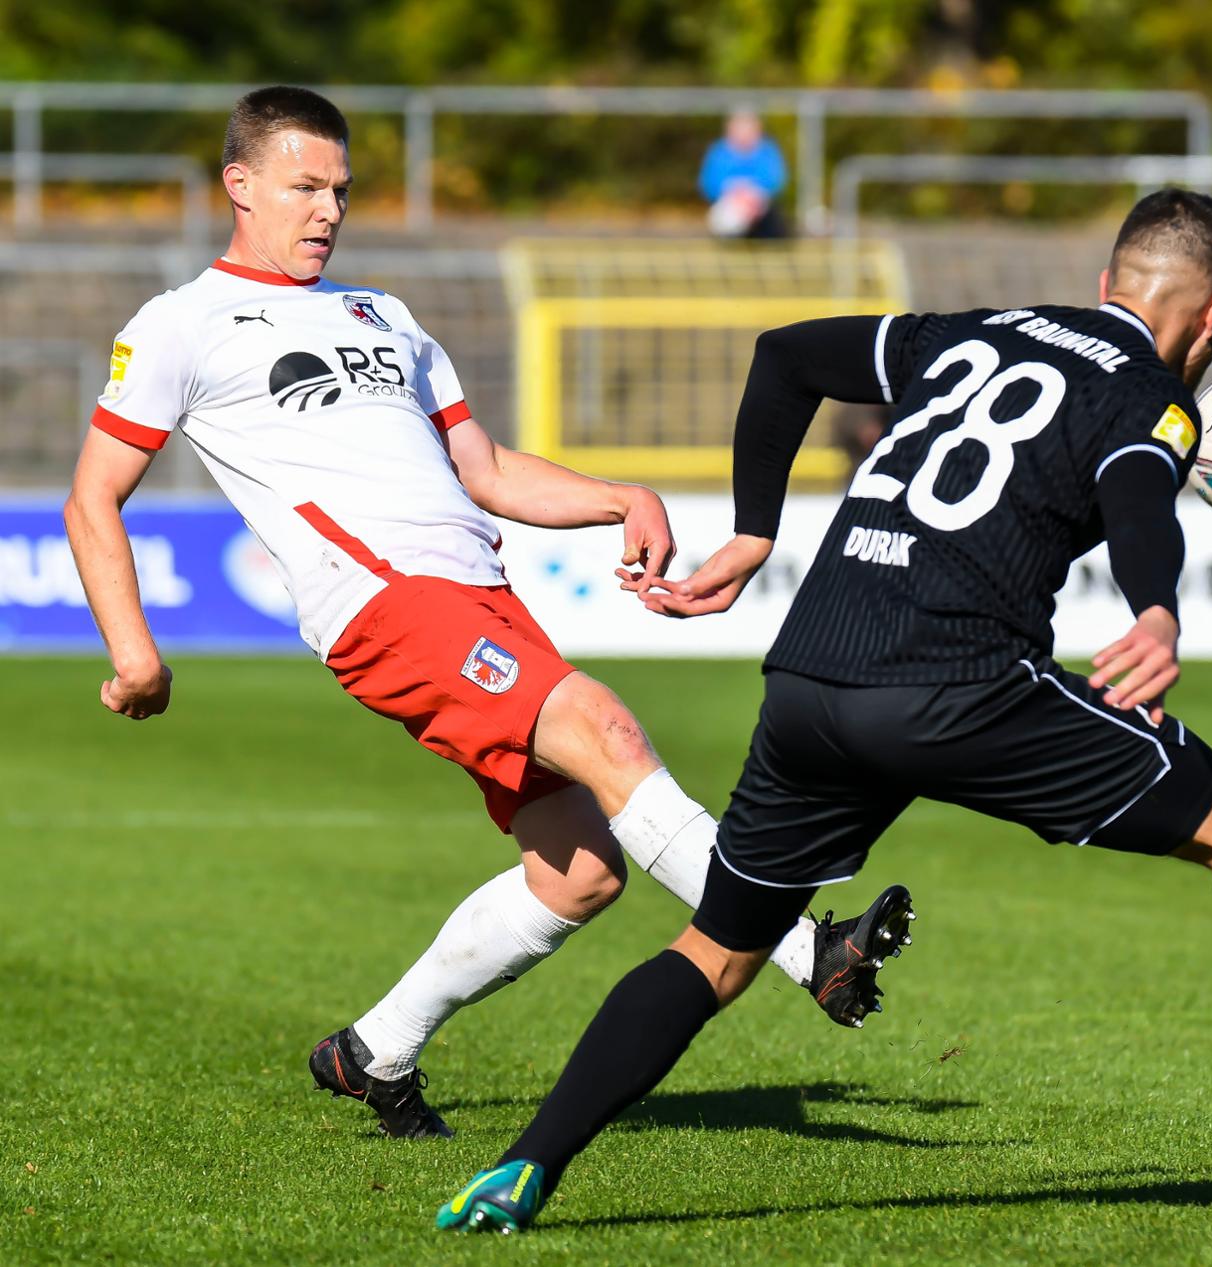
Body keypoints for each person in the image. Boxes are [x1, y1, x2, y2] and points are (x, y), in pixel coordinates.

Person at [436, 188, 1212, 1232]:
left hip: (809, 675)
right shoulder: (1149, 396)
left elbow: (784, 355)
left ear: (1105, 280)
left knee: (718, 948)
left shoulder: (973, 331)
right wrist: (1156, 607)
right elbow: (1140, 495)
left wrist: (752, 532)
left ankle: (524, 1165)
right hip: (953, 681)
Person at [61, 85, 912, 1143]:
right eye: (304, 187)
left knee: (581, 871)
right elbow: (93, 496)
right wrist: (135, 654)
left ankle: (375, 1049)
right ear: (239, 185)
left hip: (482, 599)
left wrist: (620, 497)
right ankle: (806, 949)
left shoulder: (385, 316)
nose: (327, 210)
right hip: (386, 606)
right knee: (608, 730)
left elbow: (489, 469)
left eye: (341, 190)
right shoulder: (181, 324)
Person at [699, 110, 788, 239]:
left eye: (748, 127)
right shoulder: (719, 152)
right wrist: (734, 193)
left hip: (760, 204)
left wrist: (754, 195)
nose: (744, 132)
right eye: (740, 127)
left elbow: (776, 180)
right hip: (728, 202)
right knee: (727, 218)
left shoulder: (767, 150)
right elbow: (709, 183)